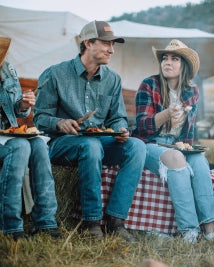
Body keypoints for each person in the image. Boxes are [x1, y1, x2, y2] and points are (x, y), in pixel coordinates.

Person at [33, 21, 146, 242]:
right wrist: (59, 123)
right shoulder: (55, 74)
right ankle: (91, 223)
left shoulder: (112, 79)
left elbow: (117, 117)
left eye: (113, 44)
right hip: (62, 144)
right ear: (88, 43)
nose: (111, 50)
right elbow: (40, 118)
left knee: (137, 146)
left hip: (99, 143)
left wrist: (120, 128)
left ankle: (116, 222)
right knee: (91, 145)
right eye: (106, 43)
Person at [133, 39, 214, 243]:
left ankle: (210, 231)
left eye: (174, 58)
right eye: (165, 58)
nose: (168, 62)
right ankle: (189, 231)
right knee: (176, 159)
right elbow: (142, 126)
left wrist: (189, 147)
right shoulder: (149, 84)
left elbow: (189, 129)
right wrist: (167, 113)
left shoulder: (191, 91)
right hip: (150, 143)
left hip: (177, 144)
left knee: (200, 161)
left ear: (184, 65)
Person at [0, 37, 60, 241]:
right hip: (9, 139)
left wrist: (25, 104)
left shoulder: (7, 68)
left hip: (6, 133)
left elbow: (17, 109)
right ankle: (10, 225)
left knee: (38, 145)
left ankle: (46, 221)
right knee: (20, 147)